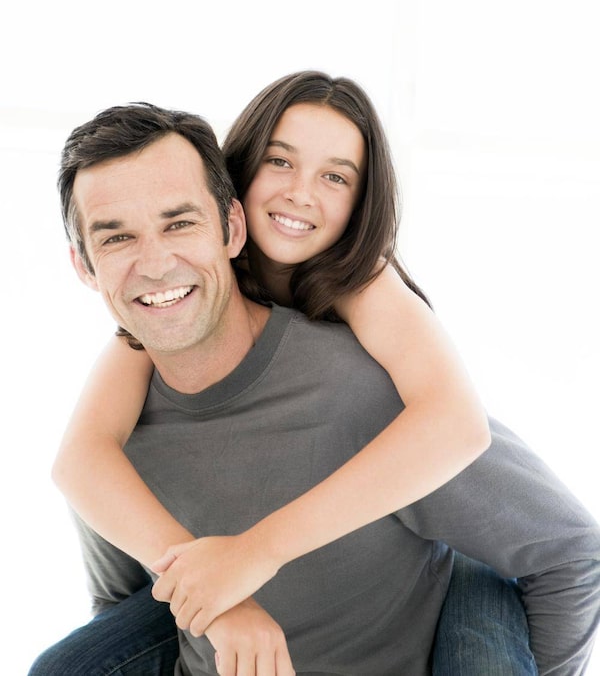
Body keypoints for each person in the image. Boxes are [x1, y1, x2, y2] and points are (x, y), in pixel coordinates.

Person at [30, 94, 600, 675]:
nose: (154, 264)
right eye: (116, 238)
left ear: (231, 227)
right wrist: (219, 605)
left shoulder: (363, 371)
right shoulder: (117, 427)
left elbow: (564, 545)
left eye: (179, 222)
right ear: (83, 265)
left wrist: (254, 553)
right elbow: (122, 605)